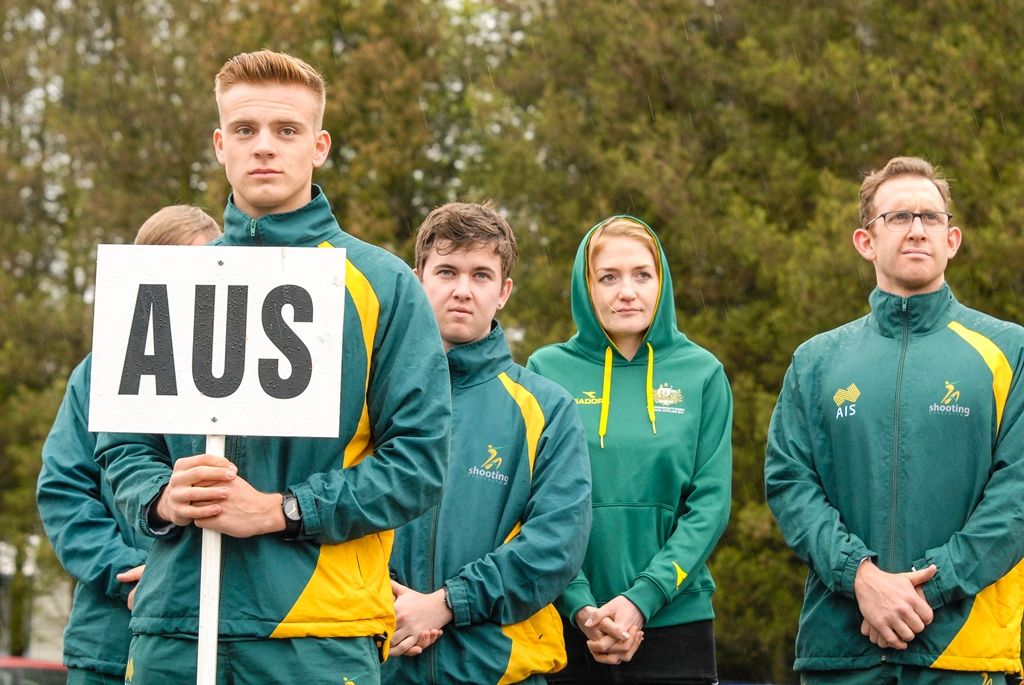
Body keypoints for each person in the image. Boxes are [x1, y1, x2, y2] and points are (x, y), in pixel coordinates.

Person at [94, 50, 452, 684]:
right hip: (173, 628)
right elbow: (122, 448)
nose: (264, 147)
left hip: (315, 638)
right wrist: (160, 497)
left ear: (318, 146)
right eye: (245, 130)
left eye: (286, 131)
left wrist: (281, 510)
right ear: (219, 144)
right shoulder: (165, 280)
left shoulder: (383, 283)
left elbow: (419, 464)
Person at [765, 156, 1024, 684]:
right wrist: (859, 577)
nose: (916, 230)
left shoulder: (1010, 350)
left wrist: (923, 590)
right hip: (840, 651)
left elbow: (1017, 494)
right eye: (898, 217)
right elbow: (790, 482)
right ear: (866, 241)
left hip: (961, 653)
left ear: (952, 240)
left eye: (930, 217)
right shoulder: (816, 361)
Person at [381, 202, 593, 685]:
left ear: (504, 292)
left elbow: (556, 545)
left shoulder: (548, 408)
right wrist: (388, 607)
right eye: (447, 271)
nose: (462, 290)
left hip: (498, 672)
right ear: (418, 278)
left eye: (481, 275)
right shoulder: (369, 397)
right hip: (378, 664)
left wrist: (447, 604)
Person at [527, 215, 733, 684]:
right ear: (586, 286)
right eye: (609, 277)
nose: (627, 291)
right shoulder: (545, 369)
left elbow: (710, 505)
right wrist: (581, 606)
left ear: (662, 283)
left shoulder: (702, 373)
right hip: (568, 623)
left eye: (642, 274)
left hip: (677, 622)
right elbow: (539, 504)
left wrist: (643, 599)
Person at [37, 205, 220, 685]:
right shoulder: (98, 374)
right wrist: (126, 572)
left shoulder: (241, 381)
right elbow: (64, 491)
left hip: (212, 644)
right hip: (109, 645)